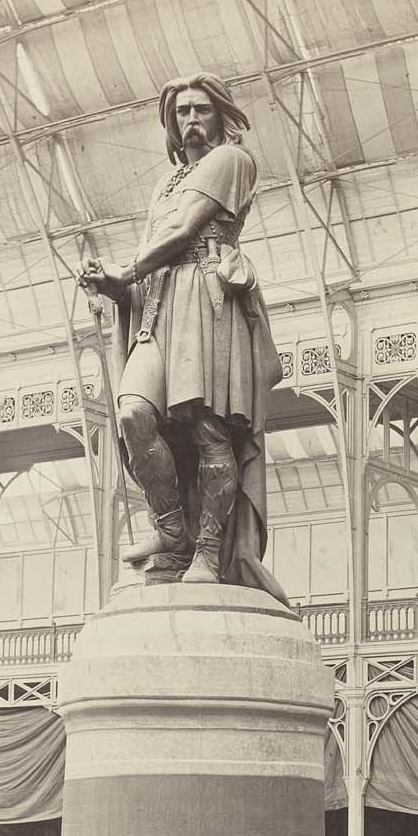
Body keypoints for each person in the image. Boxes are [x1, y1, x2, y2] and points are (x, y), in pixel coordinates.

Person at [80, 73, 285, 597]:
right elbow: (159, 251)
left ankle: (211, 550)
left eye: (201, 110)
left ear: (220, 114)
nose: (190, 121)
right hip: (160, 304)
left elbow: (184, 231)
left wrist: (124, 272)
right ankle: (172, 530)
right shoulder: (165, 182)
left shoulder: (231, 161)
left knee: (210, 431)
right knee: (133, 414)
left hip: (207, 300)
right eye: (181, 113)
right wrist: (117, 286)